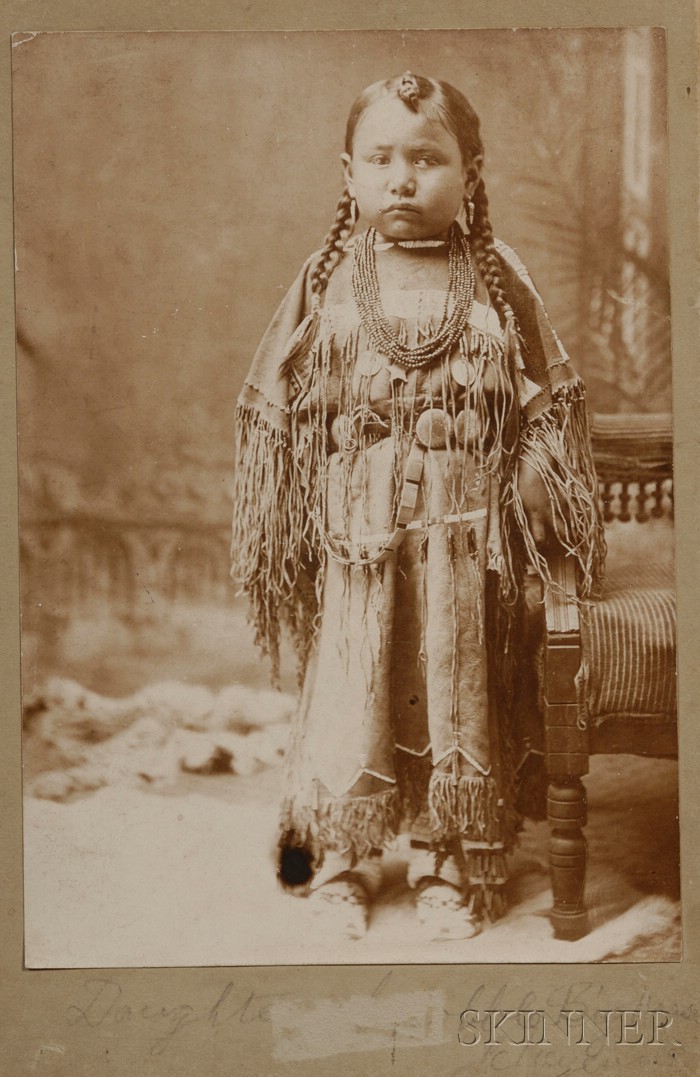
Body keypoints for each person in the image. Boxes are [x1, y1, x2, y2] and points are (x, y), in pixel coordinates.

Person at [231, 72, 604, 941]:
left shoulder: (495, 277)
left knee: (451, 682)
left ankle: (448, 857)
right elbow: (275, 416)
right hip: (357, 532)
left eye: (428, 158)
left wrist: (540, 482)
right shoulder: (328, 279)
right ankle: (344, 861)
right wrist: (289, 518)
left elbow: (549, 403)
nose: (403, 178)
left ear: (471, 173)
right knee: (355, 686)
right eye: (382, 158)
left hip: (466, 538)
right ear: (349, 174)